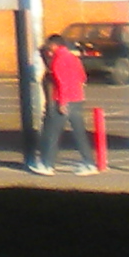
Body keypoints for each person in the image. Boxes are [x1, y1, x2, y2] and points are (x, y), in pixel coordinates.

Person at [36, 31, 92, 174]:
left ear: (54, 45)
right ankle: (89, 163)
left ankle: (47, 165)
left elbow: (62, 83)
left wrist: (62, 102)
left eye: (49, 46)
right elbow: (82, 77)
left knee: (53, 134)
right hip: (77, 99)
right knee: (80, 133)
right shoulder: (74, 58)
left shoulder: (58, 60)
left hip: (63, 100)